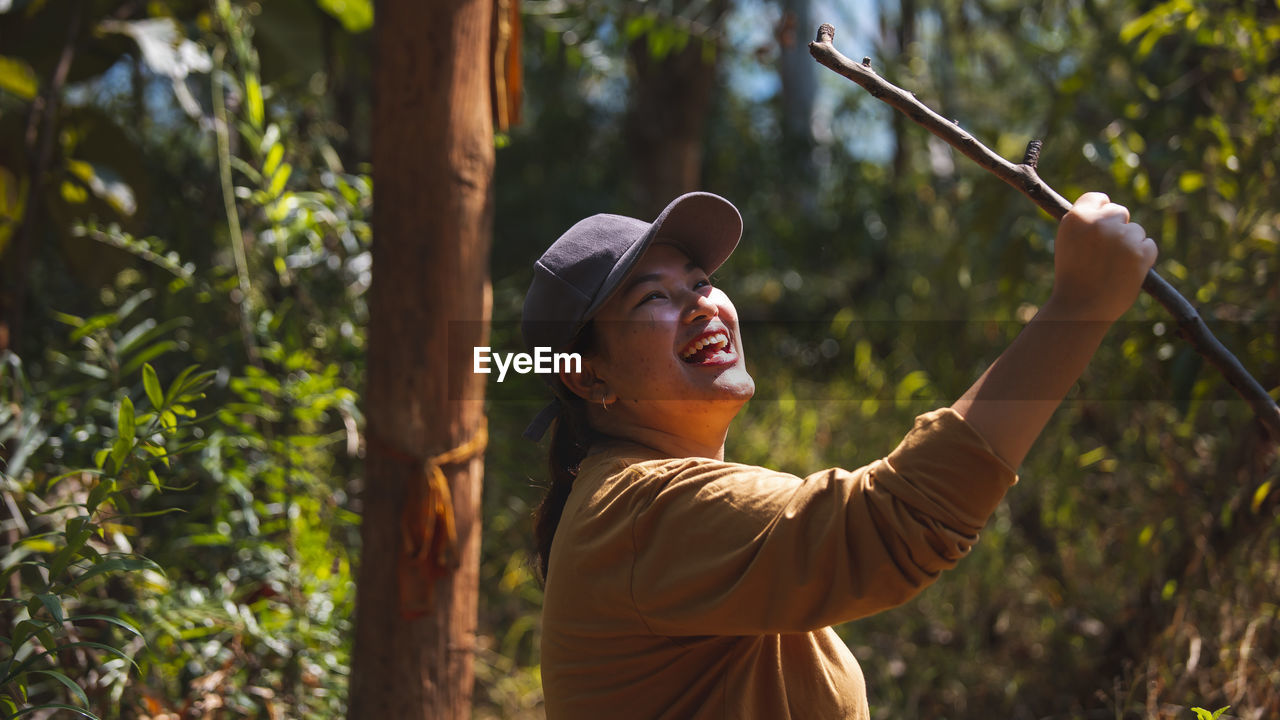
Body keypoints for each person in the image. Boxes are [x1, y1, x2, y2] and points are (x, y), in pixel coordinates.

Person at [520, 191, 1157, 719]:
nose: (700, 304)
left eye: (701, 280)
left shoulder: (656, 511)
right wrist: (1078, 308)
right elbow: (894, 524)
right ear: (586, 376)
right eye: (652, 297)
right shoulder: (639, 510)